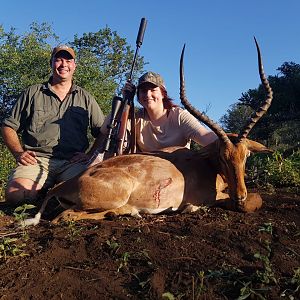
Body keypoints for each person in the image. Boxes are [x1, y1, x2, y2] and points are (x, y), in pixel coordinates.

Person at [1, 45, 105, 205]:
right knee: (16, 195)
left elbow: (103, 132)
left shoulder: (86, 98)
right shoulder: (33, 92)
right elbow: (8, 127)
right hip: (37, 160)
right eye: (59, 60)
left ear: (74, 66)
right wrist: (18, 153)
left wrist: (89, 155)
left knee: (90, 193)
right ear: (51, 63)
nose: (64, 64)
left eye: (68, 60)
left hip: (72, 163)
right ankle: (49, 192)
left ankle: (53, 193)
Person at [99, 71, 217, 155]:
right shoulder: (135, 117)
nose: (148, 95)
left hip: (177, 175)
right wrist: (124, 102)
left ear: (163, 94)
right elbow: (105, 129)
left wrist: (229, 141)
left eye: (153, 90)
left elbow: (206, 138)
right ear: (138, 96)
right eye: (143, 91)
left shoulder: (179, 116)